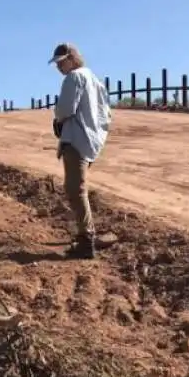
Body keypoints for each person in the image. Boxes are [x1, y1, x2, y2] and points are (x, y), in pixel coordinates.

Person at [48, 42, 112, 259]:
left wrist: (58, 120)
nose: (59, 67)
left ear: (72, 58)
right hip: (90, 141)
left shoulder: (74, 77)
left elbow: (65, 109)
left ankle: (86, 240)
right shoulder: (95, 80)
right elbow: (106, 115)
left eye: (61, 62)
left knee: (75, 189)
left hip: (75, 139)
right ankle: (87, 233)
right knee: (78, 188)